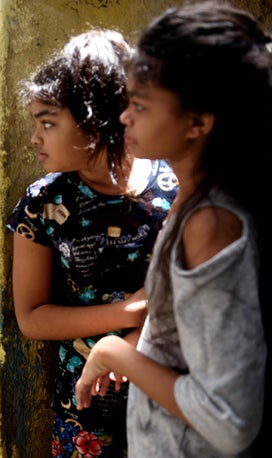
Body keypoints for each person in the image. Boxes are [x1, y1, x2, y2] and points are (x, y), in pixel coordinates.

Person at [75, 2, 269, 456]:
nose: (125, 117)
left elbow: (229, 420)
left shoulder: (211, 224)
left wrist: (114, 353)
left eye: (140, 105)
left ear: (199, 122)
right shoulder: (193, 201)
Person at [6, 29, 178, 457]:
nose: (35, 138)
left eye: (48, 122)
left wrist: (139, 331)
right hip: (86, 399)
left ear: (94, 120)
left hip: (173, 385)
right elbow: (31, 318)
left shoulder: (175, 186)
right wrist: (127, 311)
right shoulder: (43, 203)